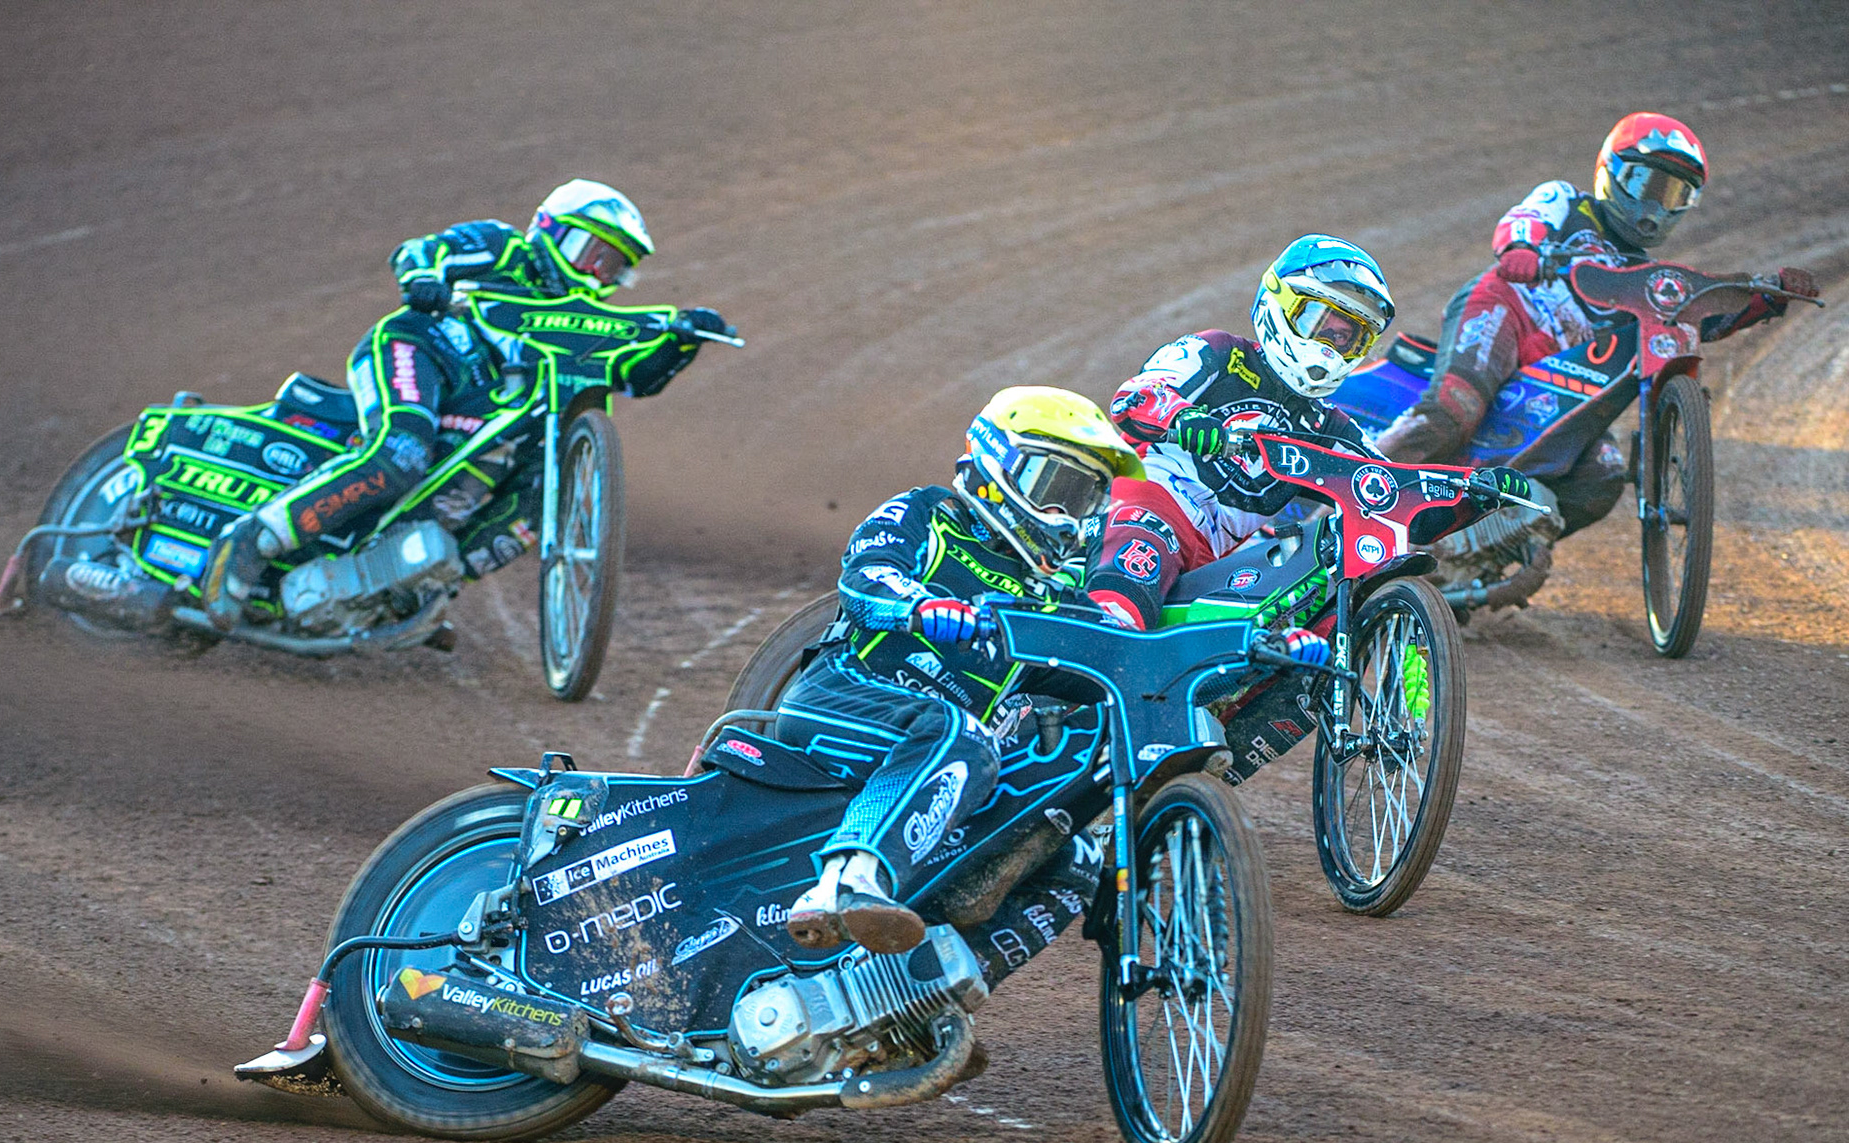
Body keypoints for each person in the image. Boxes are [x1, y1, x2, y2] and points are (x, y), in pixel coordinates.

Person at [199, 179, 731, 629]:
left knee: (539, 498)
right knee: (401, 454)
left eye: (612, 268)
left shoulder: (589, 327)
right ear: (551, 231)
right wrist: (424, 279)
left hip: (497, 415)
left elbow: (635, 378)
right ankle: (251, 539)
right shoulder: (505, 248)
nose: (596, 274)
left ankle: (413, 591)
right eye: (590, 254)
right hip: (423, 348)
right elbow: (421, 251)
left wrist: (683, 342)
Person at [778, 386, 1142, 957]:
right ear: (999, 462)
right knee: (960, 734)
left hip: (951, 753)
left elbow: (1122, 655)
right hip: (842, 697)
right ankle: (843, 884)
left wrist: (1245, 651)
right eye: (1054, 487)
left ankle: (930, 993)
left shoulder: (1049, 596)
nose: (1063, 514)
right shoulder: (925, 513)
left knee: (1070, 850)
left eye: (1082, 498)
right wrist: (924, 608)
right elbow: (866, 578)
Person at [1375, 112, 1819, 533]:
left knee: (1601, 477)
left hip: (1567, 373)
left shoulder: (1647, 279)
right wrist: (1522, 248)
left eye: (1673, 195)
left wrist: (1766, 299)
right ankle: (1356, 497)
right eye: (1646, 183)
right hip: (1508, 311)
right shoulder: (1566, 202)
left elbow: (1699, 318)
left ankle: (1494, 548)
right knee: (1455, 410)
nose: (1655, 204)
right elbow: (1523, 221)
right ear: (1612, 171)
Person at [1090, 235, 1471, 630]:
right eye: (1318, 321)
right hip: (1145, 508)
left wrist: (1471, 494)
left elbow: (1392, 490)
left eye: (1345, 337)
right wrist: (1183, 417)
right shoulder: (1220, 352)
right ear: (1280, 304)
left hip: (1219, 558)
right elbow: (1135, 396)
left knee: (1309, 604)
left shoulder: (1328, 427)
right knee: (1136, 568)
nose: (1329, 345)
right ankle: (1100, 635)